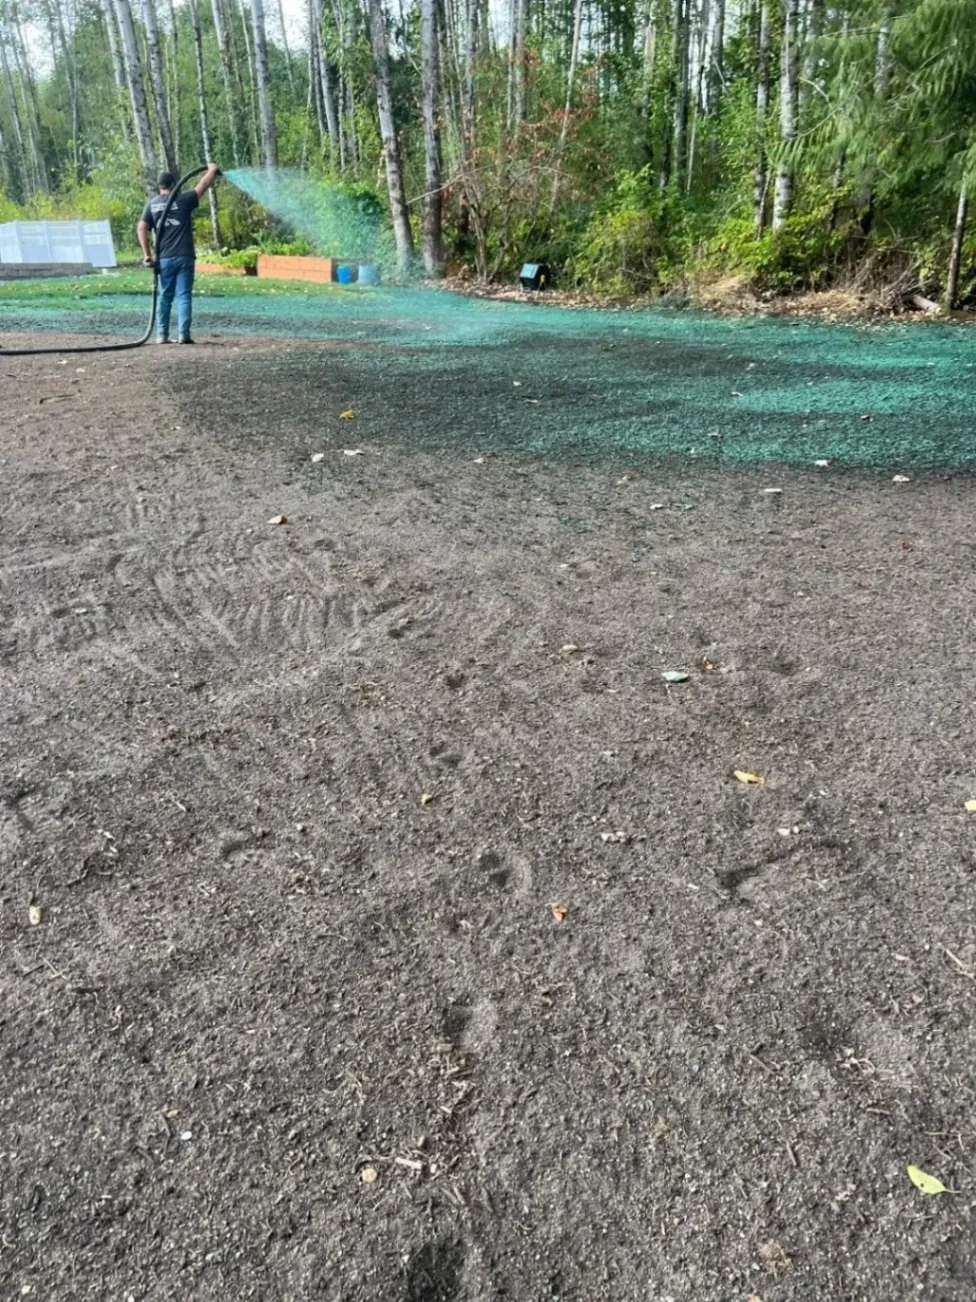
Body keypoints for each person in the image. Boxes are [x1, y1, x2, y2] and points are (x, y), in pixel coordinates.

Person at [137, 163, 220, 345]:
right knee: (184, 295)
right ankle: (184, 335)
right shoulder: (183, 200)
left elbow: (142, 227)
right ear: (174, 184)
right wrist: (212, 170)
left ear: (160, 187)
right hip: (184, 256)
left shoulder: (152, 205)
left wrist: (147, 254)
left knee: (165, 296)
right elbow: (203, 186)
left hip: (164, 258)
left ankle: (162, 335)